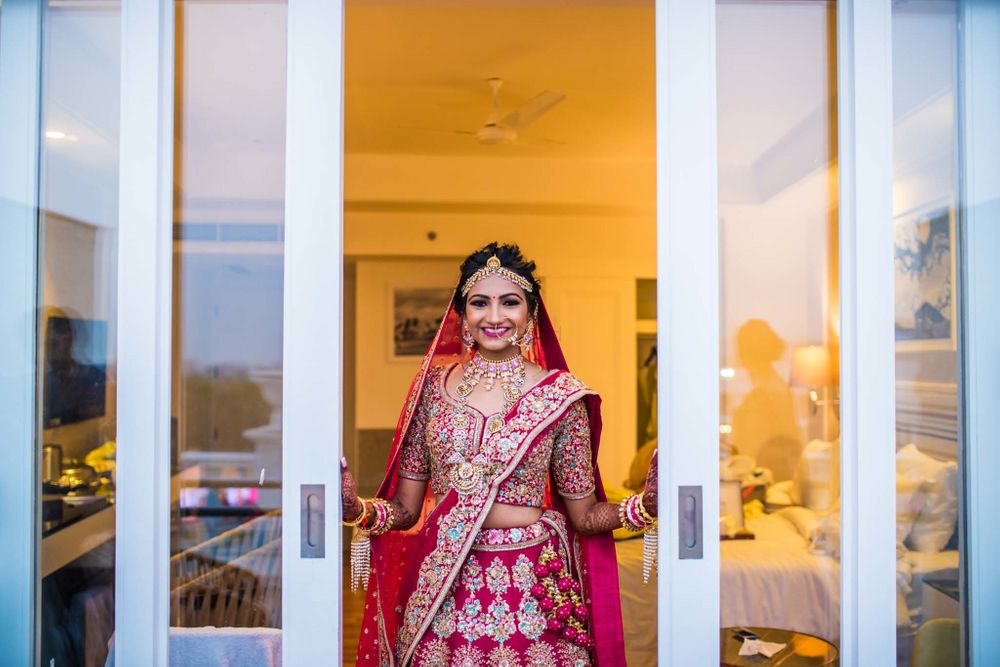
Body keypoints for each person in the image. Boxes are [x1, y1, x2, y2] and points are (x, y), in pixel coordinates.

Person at [341, 243, 659, 666]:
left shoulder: (561, 397)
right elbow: (405, 509)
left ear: (530, 314)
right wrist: (357, 509)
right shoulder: (431, 392)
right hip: (445, 582)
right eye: (479, 303)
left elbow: (585, 516)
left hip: (533, 586)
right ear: (462, 316)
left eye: (509, 302)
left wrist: (643, 508)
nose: (494, 317)